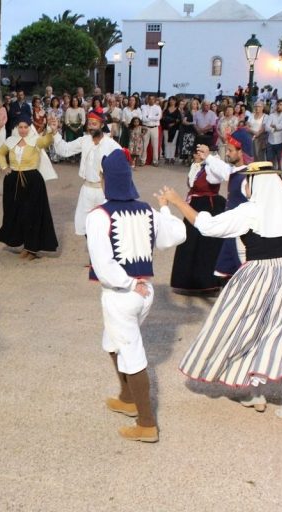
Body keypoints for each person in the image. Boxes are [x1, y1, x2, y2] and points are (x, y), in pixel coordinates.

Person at [160, 163, 282, 423]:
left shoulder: (249, 211)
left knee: (249, 329)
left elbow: (207, 226)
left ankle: (255, 392)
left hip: (258, 275)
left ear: (254, 184)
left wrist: (175, 201)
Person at [87, 149, 185, 443]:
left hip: (122, 292)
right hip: (145, 291)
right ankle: (127, 396)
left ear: (105, 180)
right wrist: (165, 209)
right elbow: (177, 235)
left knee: (130, 351)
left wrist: (128, 284)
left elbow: (103, 265)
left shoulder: (99, 216)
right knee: (112, 341)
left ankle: (146, 422)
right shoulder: (147, 210)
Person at [48, 110, 121, 236]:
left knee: (107, 225)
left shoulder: (111, 145)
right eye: (89, 124)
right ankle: (93, 252)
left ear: (102, 125)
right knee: (85, 224)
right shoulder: (84, 140)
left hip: (104, 191)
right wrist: (55, 132)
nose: (91, 127)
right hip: (86, 189)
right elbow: (64, 150)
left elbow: (122, 166)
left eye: (94, 124)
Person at [0, 115, 58, 260]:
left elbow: (47, 141)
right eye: (20, 127)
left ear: (30, 128)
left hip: (32, 181)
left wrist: (51, 131)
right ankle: (25, 245)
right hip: (13, 182)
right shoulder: (10, 141)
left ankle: (32, 248)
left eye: (25, 127)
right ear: (17, 128)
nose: (23, 130)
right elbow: (0, 153)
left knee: (32, 214)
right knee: (18, 213)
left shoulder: (35, 141)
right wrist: (5, 167)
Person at [169, 149, 226, 294]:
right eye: (195, 152)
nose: (195, 155)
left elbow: (216, 178)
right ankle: (189, 282)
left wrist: (209, 160)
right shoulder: (196, 166)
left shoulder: (212, 168)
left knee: (207, 245)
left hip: (209, 206)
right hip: (194, 205)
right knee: (189, 242)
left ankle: (208, 282)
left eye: (198, 152)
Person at [199, 129, 253, 278]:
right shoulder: (235, 172)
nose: (227, 153)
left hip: (242, 238)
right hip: (231, 234)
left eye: (230, 150)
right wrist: (208, 157)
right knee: (226, 274)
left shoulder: (249, 178)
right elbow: (224, 170)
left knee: (245, 276)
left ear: (241, 152)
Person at [266, 99, 282, 168]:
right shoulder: (271, 115)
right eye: (278, 104)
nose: (279, 106)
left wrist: (274, 126)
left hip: (281, 141)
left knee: (280, 161)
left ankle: (280, 177)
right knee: (269, 162)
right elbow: (267, 127)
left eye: (281, 105)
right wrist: (274, 129)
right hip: (270, 141)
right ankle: (270, 176)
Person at [140, 95, 162, 166]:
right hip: (146, 128)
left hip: (155, 128)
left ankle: (155, 161)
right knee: (144, 145)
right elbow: (143, 118)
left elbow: (158, 118)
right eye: (150, 99)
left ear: (155, 100)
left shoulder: (158, 107)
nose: (151, 100)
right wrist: (153, 117)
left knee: (155, 145)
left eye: (153, 99)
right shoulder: (143, 107)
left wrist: (148, 117)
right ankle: (143, 160)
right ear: (147, 100)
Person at [161, 97, 181, 165]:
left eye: (173, 100)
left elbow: (179, 119)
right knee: (166, 143)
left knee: (173, 143)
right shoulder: (166, 110)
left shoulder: (178, 110)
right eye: (170, 100)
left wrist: (173, 123)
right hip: (166, 128)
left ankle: (172, 157)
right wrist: (168, 123)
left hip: (175, 129)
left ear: (176, 101)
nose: (172, 101)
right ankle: (167, 157)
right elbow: (163, 118)